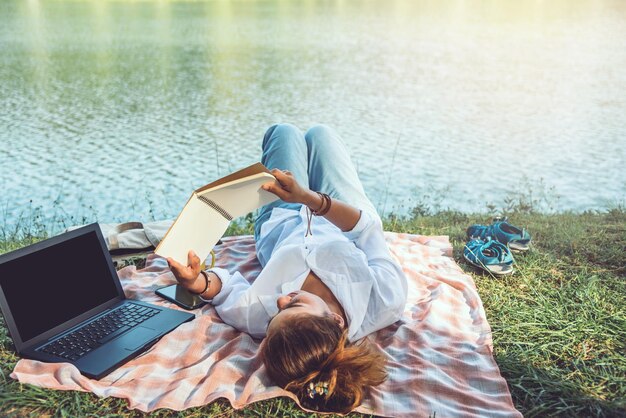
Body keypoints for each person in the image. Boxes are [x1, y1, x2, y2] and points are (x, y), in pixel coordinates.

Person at [167, 124, 408, 413]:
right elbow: (368, 230)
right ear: (335, 319)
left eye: (276, 314)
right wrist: (309, 198)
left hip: (281, 219)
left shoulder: (262, 320)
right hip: (343, 212)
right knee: (321, 135)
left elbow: (226, 289)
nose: (280, 301)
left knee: (283, 132)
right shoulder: (384, 300)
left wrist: (198, 282)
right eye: (294, 304)